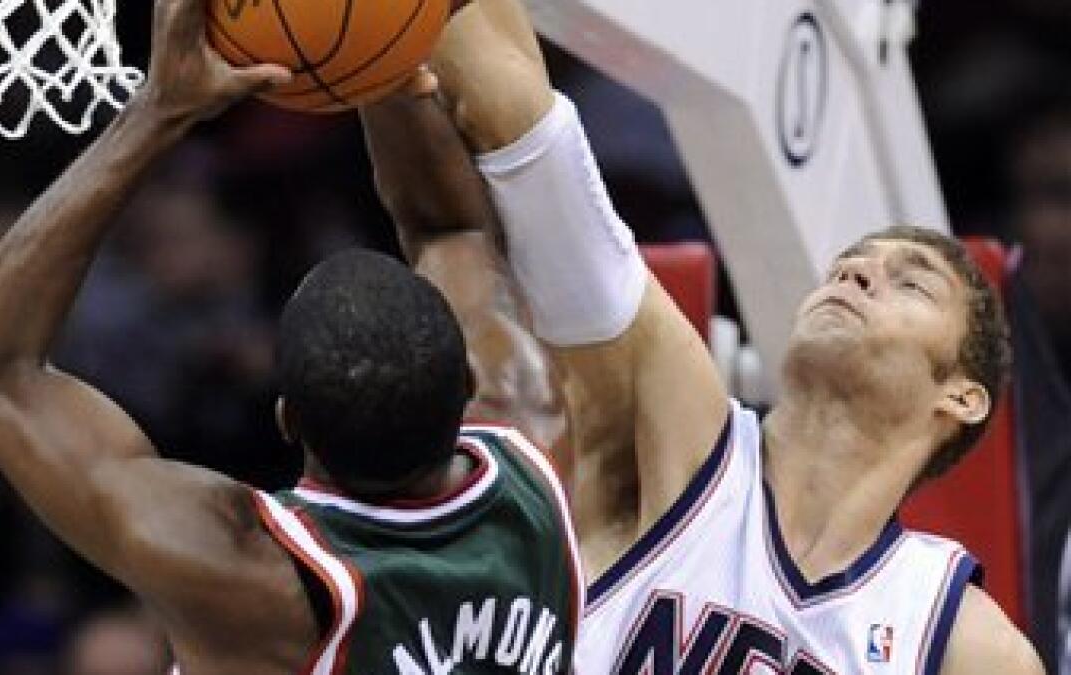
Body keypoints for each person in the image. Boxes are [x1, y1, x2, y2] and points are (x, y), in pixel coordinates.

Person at [0, 0, 582, 671]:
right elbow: (453, 229)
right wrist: (374, 57)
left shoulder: (258, 580)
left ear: (286, 419)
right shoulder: (531, 436)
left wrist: (160, 112)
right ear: (471, 380)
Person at [419, 0, 1045, 671]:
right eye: (849, 263)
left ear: (963, 397)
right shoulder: (680, 440)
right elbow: (528, 134)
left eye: (911, 282)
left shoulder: (963, 639)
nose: (860, 273)